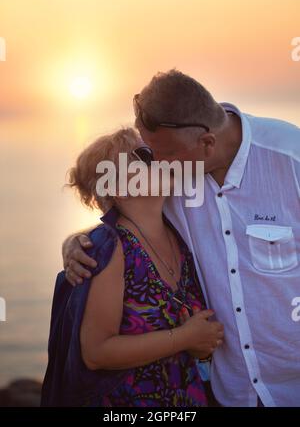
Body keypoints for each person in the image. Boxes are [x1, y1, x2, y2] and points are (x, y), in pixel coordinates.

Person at [65, 70, 300, 407]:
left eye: (162, 155)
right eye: (148, 154)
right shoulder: (172, 180)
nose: (158, 164)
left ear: (206, 144)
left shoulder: (291, 159)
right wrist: (78, 243)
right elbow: (121, 219)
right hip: (228, 392)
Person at [41, 127, 223, 407]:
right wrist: (185, 338)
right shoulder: (111, 248)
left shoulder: (179, 231)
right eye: (144, 155)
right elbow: (96, 352)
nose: (160, 157)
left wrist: (199, 345)